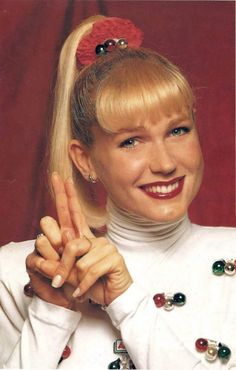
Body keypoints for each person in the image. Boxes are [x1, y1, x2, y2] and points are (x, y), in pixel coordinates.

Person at [0, 14, 235, 370]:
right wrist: (51, 312)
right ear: (85, 160)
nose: (165, 163)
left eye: (178, 130)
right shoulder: (14, 274)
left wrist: (126, 300)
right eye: (130, 141)